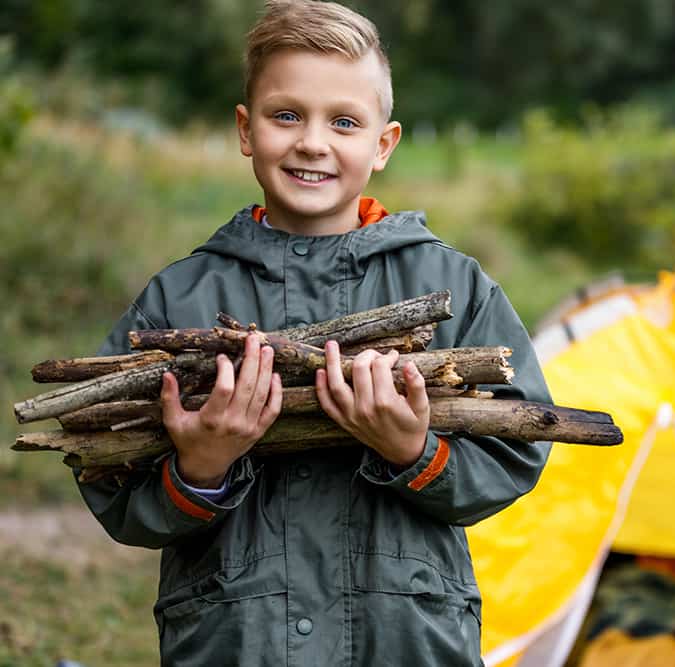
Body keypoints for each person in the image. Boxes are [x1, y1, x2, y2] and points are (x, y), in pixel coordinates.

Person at [76, 1, 552, 664]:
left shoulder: (452, 287)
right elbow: (107, 468)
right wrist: (201, 467)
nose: (312, 142)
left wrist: (416, 449)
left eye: (345, 122)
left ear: (383, 144)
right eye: (287, 115)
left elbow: (518, 446)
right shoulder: (180, 298)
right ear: (247, 129)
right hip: (236, 643)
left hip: (406, 640)